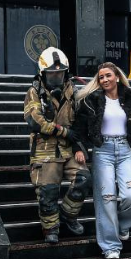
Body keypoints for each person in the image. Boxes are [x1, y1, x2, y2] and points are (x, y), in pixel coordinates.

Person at [74, 62, 131, 259]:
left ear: (117, 77)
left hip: (124, 149)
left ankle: (122, 225)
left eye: (108, 76)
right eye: (101, 77)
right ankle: (111, 247)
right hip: (101, 151)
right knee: (106, 199)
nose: (104, 79)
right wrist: (80, 148)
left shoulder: (130, 97)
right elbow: (80, 126)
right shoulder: (92, 100)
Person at [24, 47, 90, 244]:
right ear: (43, 74)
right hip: (44, 150)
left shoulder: (72, 91)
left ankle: (68, 215)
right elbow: (35, 120)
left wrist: (79, 146)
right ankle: (51, 228)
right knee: (47, 192)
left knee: (84, 178)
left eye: (59, 74)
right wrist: (63, 131)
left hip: (68, 148)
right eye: (51, 74)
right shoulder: (34, 92)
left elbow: (79, 120)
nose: (56, 78)